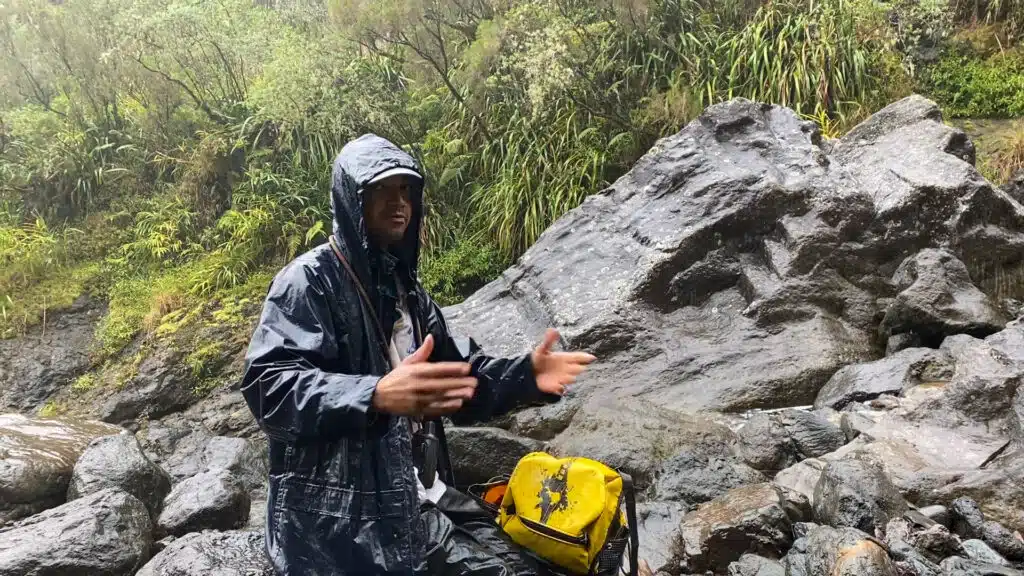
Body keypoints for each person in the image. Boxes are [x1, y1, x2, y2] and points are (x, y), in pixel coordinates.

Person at [240, 133, 600, 575]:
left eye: (406, 190)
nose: (399, 204)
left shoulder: (407, 291)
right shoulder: (308, 282)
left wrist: (526, 375)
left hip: (421, 489)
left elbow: (458, 378)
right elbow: (270, 387)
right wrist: (374, 394)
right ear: (352, 200)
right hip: (346, 517)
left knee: (535, 561)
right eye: (382, 191)